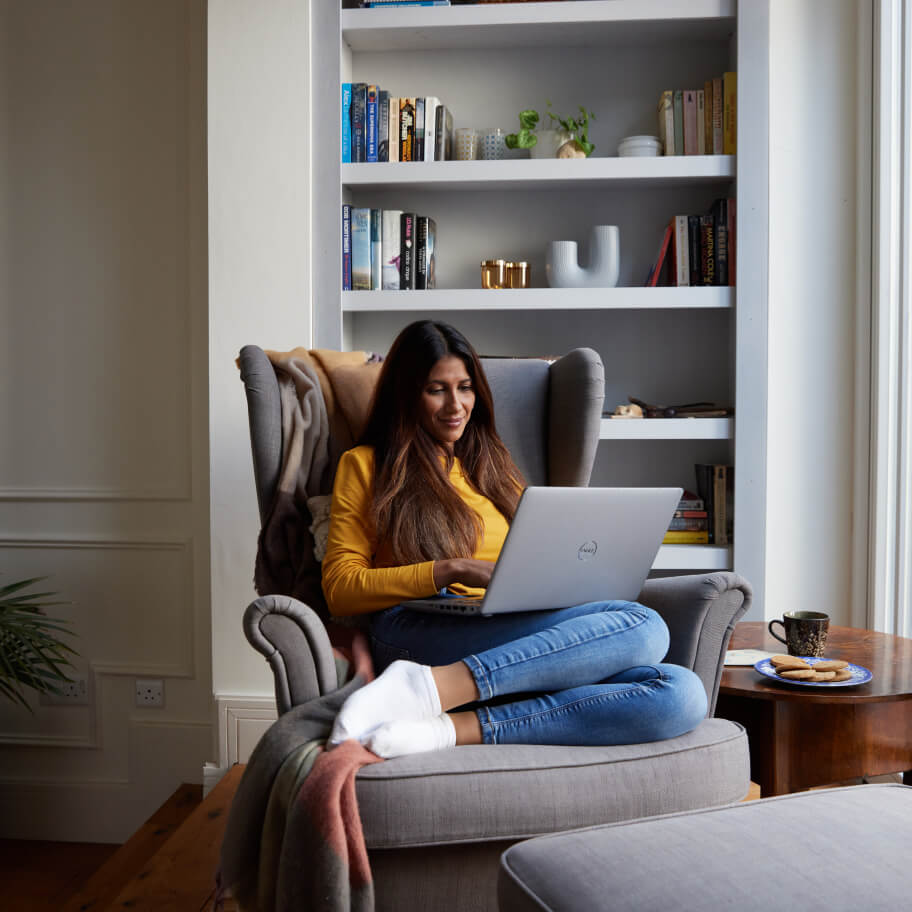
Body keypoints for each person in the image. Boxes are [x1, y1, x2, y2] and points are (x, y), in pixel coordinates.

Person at [321, 320, 707, 759]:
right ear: (406, 395)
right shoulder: (366, 465)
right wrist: (452, 568)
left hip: (509, 625)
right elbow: (341, 589)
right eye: (436, 389)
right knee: (645, 626)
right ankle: (426, 686)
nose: (456, 405)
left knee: (680, 692)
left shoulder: (491, 466)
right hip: (420, 629)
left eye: (465, 388)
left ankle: (447, 727)